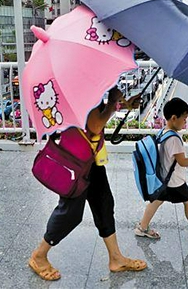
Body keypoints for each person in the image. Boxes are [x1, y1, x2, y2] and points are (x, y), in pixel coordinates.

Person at [29, 87, 147, 281]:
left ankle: (116, 258)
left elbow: (93, 117)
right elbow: (94, 125)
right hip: (77, 161)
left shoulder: (87, 83)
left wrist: (123, 104)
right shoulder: (83, 88)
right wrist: (111, 103)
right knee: (70, 213)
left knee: (104, 203)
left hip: (89, 158)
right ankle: (39, 255)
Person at [134, 97, 188, 241]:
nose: (185, 121)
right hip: (174, 181)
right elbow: (183, 161)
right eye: (184, 118)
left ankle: (142, 227)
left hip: (163, 178)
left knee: (156, 201)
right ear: (174, 118)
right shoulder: (174, 139)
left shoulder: (163, 132)